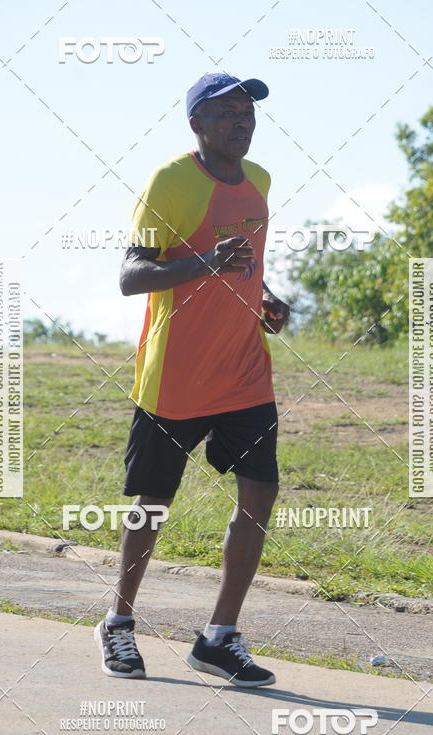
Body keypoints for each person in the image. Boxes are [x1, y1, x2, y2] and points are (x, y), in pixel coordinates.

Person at [94, 72, 290, 687]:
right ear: (196, 124)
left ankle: (218, 636)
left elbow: (243, 266)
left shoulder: (259, 183)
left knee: (259, 493)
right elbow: (131, 275)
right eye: (226, 112)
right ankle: (119, 624)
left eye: (248, 112)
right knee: (152, 505)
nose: (242, 122)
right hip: (176, 375)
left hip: (244, 373)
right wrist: (203, 264)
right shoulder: (170, 183)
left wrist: (265, 298)